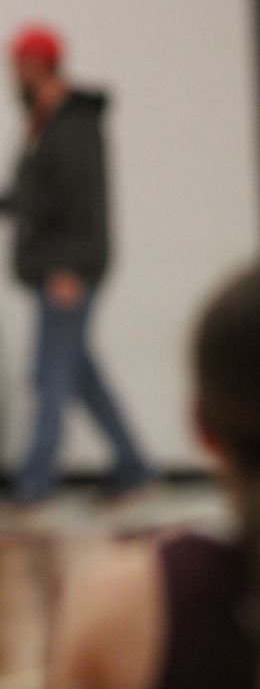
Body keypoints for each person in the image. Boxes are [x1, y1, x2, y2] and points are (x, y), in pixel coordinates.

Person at [0, 25, 152, 505]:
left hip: (67, 272)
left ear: (37, 67)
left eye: (16, 67)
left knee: (50, 377)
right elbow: (31, 196)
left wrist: (71, 269)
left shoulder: (73, 125)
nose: (11, 78)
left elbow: (82, 204)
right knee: (79, 372)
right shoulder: (48, 123)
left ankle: (34, 485)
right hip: (59, 268)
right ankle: (135, 465)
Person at [48, 261, 260, 688]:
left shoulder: (122, 600)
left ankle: (122, 469)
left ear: (202, 426)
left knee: (54, 381)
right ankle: (130, 467)